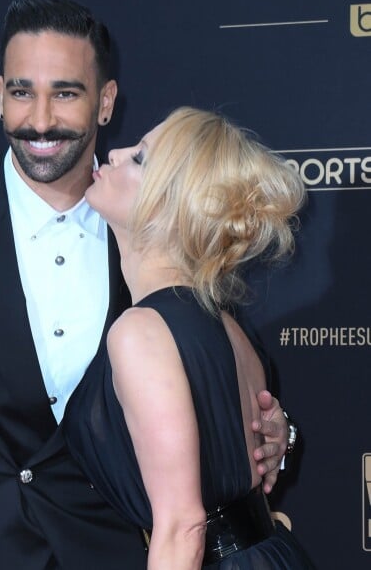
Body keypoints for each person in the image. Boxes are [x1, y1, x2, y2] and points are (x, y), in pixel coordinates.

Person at [0, 0, 291, 570]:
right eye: (22, 92)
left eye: (65, 93)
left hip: (111, 550)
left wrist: (270, 429)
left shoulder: (154, 232)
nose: (40, 120)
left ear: (106, 101)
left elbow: (219, 370)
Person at [63, 106, 315, 569]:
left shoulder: (141, 332)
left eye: (139, 158)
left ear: (169, 208)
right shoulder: (227, 326)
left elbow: (183, 527)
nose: (114, 153)